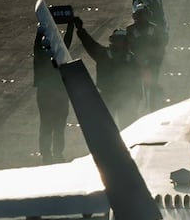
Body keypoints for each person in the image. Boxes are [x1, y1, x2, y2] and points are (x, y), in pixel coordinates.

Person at [74, 18, 142, 128]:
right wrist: (80, 30)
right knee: (107, 127)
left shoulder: (128, 58)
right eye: (118, 40)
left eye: (121, 40)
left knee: (128, 128)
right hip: (109, 96)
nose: (119, 43)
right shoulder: (105, 55)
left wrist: (138, 97)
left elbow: (138, 79)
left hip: (125, 97)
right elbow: (89, 44)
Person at [33, 20, 75, 164]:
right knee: (56, 126)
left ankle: (49, 155)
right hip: (56, 95)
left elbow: (37, 46)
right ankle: (54, 154)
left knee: (49, 126)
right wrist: (70, 26)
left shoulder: (41, 57)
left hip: (49, 95)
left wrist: (40, 32)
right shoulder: (56, 57)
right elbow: (65, 44)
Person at [126, 1, 166, 111]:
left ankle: (152, 108)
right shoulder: (130, 30)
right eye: (139, 15)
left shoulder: (155, 29)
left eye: (143, 14)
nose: (141, 17)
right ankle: (138, 109)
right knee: (136, 89)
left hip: (152, 64)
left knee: (151, 87)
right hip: (136, 65)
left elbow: (160, 47)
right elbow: (127, 47)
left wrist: (155, 62)